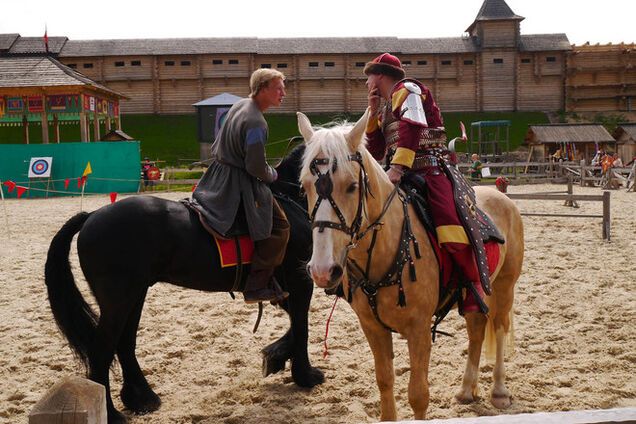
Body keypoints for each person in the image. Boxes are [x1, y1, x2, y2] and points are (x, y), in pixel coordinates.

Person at [364, 53, 488, 313]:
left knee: (448, 221)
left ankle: (472, 284)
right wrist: (372, 113)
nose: (366, 83)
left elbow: (413, 127)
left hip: (429, 169)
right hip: (397, 172)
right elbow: (375, 151)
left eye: (369, 77)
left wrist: (398, 167)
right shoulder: (385, 106)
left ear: (381, 76)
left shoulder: (407, 89)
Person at [191, 69, 289, 304]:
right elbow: (255, 167)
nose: (283, 93)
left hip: (216, 173)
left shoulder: (239, 105)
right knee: (279, 227)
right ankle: (256, 285)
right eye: (278, 88)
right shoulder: (257, 122)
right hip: (237, 182)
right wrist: (272, 173)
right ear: (263, 88)